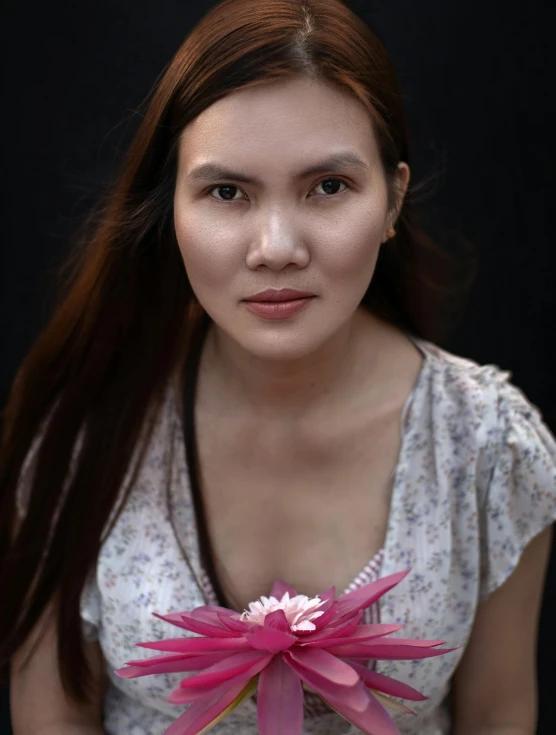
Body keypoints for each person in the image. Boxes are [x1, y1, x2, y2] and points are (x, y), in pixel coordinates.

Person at [2, 0, 555, 733]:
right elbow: (51, 716)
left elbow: (500, 711)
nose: (275, 246)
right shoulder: (82, 435)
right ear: (172, 206)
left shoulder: (490, 448)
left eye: (328, 186)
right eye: (227, 192)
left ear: (392, 197)